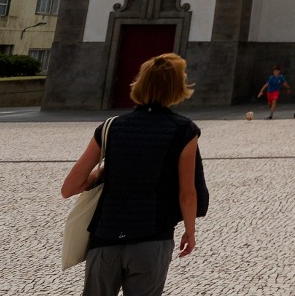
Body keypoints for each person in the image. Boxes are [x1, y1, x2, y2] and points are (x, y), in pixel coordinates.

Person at [61, 52, 200, 295]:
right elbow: (187, 193)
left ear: (141, 83)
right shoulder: (184, 131)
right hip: (152, 238)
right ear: (177, 88)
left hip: (105, 238)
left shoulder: (110, 127)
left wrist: (106, 170)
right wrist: (190, 231)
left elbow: (69, 188)